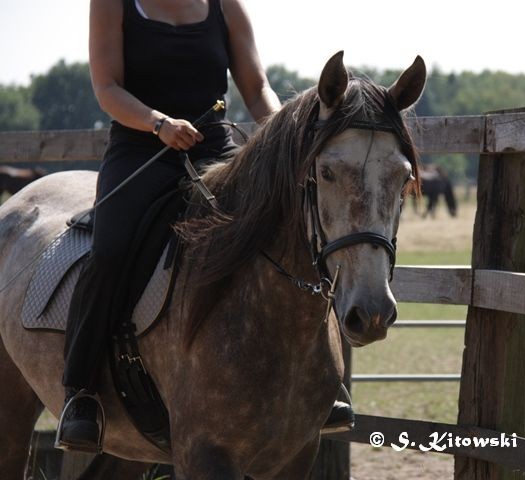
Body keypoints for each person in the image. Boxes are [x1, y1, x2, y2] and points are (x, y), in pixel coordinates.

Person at [57, 0, 352, 452]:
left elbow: (257, 89)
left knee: (293, 229)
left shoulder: (225, 6)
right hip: (142, 150)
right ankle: (81, 392)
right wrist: (158, 124)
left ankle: (319, 382)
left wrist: (281, 137)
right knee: (111, 250)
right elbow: (107, 87)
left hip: (216, 149)